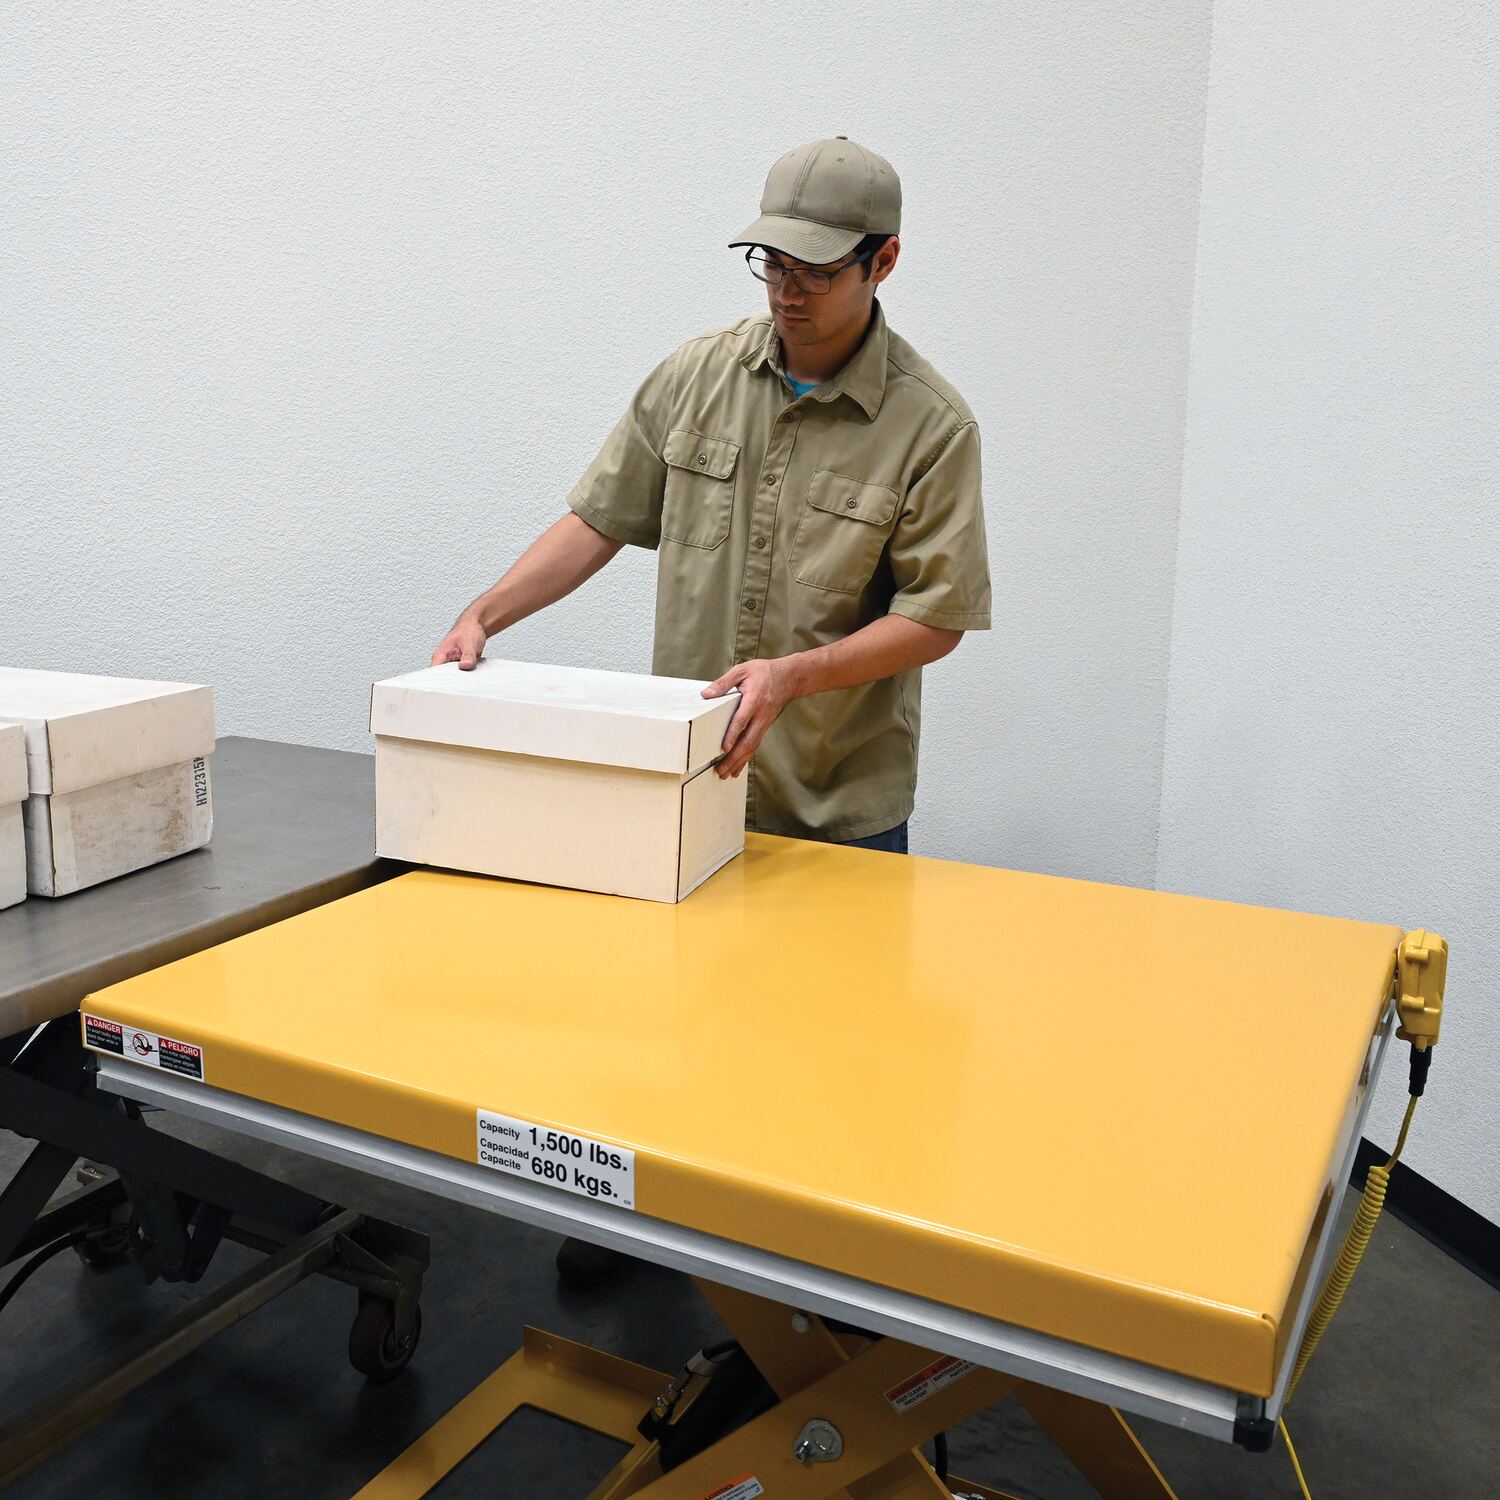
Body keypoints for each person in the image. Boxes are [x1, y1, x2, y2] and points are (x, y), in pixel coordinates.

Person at [432, 137, 991, 1278]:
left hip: (832, 804)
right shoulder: (695, 377)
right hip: (683, 787)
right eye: (772, 263)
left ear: (883, 262)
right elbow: (597, 519)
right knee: (663, 1024)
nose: (789, 291)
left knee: (825, 1062)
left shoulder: (932, 425)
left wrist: (794, 675)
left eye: (818, 270)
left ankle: (803, 1286)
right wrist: (487, 612)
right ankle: (643, 1228)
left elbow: (938, 618)